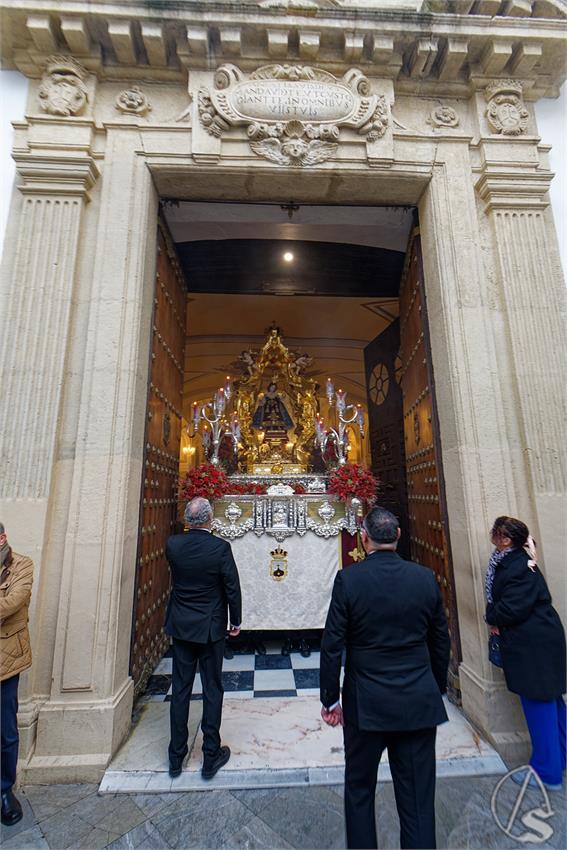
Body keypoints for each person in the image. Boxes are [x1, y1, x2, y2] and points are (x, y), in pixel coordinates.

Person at [320, 506, 450, 850]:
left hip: (367, 705)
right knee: (419, 799)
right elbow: (441, 640)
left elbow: (332, 644)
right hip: (418, 702)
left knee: (360, 789)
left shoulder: (350, 579)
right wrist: (434, 688)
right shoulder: (424, 578)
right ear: (398, 536)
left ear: (364, 539)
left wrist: (330, 699)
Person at [485, 516, 566, 792]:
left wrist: (492, 617)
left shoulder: (519, 566)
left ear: (505, 539)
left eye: (496, 531)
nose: (491, 533)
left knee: (538, 703)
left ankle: (546, 772)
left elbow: (512, 607)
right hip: (536, 639)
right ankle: (561, 756)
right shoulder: (511, 559)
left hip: (534, 644)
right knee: (551, 701)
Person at [164, 498, 242, 780]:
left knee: (180, 689)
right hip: (210, 628)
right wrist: (236, 620)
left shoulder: (173, 545)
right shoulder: (220, 548)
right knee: (212, 688)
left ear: (188, 519)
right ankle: (210, 756)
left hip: (182, 626)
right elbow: (232, 586)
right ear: (210, 518)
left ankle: (176, 756)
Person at [0, 523, 33, 827]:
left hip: (5, 661)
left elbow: (13, 603)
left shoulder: (21, 565)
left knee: (6, 730)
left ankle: (4, 790)